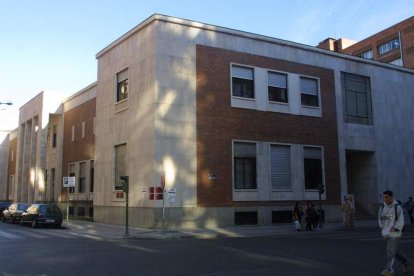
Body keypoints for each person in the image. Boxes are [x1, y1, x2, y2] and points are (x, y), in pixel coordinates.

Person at [378, 190, 412, 275]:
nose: (385, 199)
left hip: (395, 232)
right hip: (386, 232)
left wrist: (394, 228)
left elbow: (400, 221)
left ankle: (389, 270)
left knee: (390, 250)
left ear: (391, 197)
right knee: (395, 251)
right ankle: (407, 262)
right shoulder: (382, 207)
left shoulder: (397, 207)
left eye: (387, 197)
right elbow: (381, 219)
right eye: (384, 197)